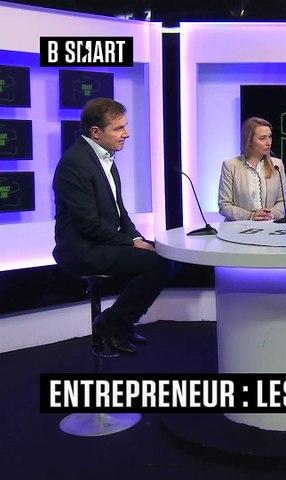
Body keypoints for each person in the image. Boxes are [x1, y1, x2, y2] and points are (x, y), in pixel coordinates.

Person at [53, 98, 174, 356]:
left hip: (102, 242)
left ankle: (121, 323)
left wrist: (138, 238)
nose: (126, 134)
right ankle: (112, 323)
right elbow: (88, 224)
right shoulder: (75, 164)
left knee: (166, 255)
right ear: (96, 132)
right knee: (159, 264)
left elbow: (120, 212)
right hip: (82, 248)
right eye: (119, 128)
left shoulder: (106, 158)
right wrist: (130, 243)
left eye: (125, 127)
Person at [218, 117, 286, 221]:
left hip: (270, 226)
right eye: (262, 138)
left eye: (270, 137)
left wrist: (270, 214)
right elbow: (224, 205)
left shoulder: (277, 165)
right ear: (249, 140)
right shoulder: (230, 166)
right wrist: (251, 215)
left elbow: (283, 202)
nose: (268, 142)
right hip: (239, 228)